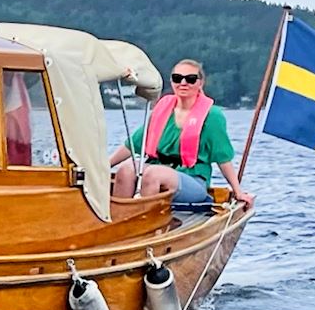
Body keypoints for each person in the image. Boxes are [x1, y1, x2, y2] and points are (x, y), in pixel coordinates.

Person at [109, 59, 255, 208]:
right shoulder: (162, 110)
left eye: (190, 79)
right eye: (177, 78)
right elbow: (132, 145)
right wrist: (104, 166)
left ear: (200, 83)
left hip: (192, 178)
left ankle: (147, 218)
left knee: (153, 174)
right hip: (157, 167)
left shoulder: (212, 116)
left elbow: (223, 158)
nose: (183, 83)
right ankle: (119, 216)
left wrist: (238, 191)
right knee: (126, 170)